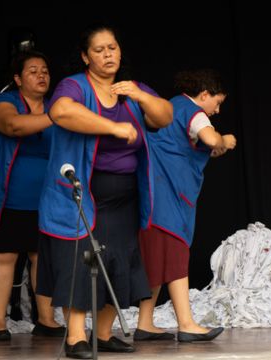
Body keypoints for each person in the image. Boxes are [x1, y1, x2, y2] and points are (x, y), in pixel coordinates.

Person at [36, 24, 172, 359]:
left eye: (112, 47)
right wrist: (112, 126)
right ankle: (75, 338)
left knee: (120, 260)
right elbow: (60, 111)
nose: (108, 54)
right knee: (79, 261)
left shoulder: (131, 89)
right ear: (85, 56)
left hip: (124, 197)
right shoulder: (75, 86)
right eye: (99, 50)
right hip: (80, 194)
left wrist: (141, 97)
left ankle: (103, 332)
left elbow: (164, 116)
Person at [0, 50, 65, 340]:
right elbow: (14, 126)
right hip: (5, 198)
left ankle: (45, 319)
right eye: (33, 70)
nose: (41, 75)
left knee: (41, 257)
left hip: (46, 199)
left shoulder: (52, 108)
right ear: (18, 78)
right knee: (4, 256)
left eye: (45, 70)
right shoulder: (2, 104)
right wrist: (56, 116)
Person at [135, 69, 236, 342]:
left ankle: (145, 323)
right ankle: (187, 323)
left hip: (153, 193)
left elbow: (185, 147)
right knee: (177, 256)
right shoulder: (194, 111)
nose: (216, 110)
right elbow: (211, 139)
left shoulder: (169, 108)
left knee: (156, 261)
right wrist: (224, 139)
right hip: (169, 197)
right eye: (217, 102)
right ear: (204, 94)